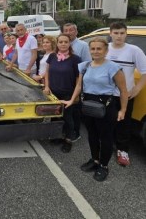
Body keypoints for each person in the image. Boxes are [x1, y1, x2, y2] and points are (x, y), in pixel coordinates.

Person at [62, 37, 128, 181]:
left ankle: (103, 166)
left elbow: (123, 91)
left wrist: (122, 110)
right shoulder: (84, 66)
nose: (96, 51)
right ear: (90, 50)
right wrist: (72, 100)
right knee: (92, 135)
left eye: (99, 48)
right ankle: (94, 160)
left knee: (106, 137)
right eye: (93, 48)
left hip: (106, 107)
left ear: (105, 50)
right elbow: (79, 86)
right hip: (87, 105)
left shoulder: (113, 68)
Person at [106, 22, 146, 166]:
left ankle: (122, 150)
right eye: (116, 33)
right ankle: (106, 146)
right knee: (107, 121)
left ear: (126, 34)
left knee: (124, 123)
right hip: (106, 94)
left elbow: (145, 72)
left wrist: (137, 89)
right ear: (110, 34)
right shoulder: (105, 49)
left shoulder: (134, 50)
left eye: (122, 33)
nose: (119, 36)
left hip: (125, 95)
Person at [43, 34, 82, 153]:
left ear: (69, 43)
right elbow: (47, 73)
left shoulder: (76, 59)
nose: (63, 44)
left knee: (67, 117)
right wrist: (47, 86)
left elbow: (78, 79)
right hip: (53, 92)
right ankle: (58, 136)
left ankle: (68, 139)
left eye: (66, 42)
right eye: (61, 42)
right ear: (57, 43)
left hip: (68, 93)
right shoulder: (52, 56)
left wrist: (75, 96)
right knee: (55, 115)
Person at [63, 23, 91, 141]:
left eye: (71, 30)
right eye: (66, 30)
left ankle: (76, 132)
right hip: (64, 81)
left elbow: (87, 63)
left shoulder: (83, 45)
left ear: (76, 32)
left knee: (75, 109)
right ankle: (66, 130)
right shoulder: (62, 44)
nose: (69, 32)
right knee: (66, 109)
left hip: (76, 82)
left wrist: (80, 82)